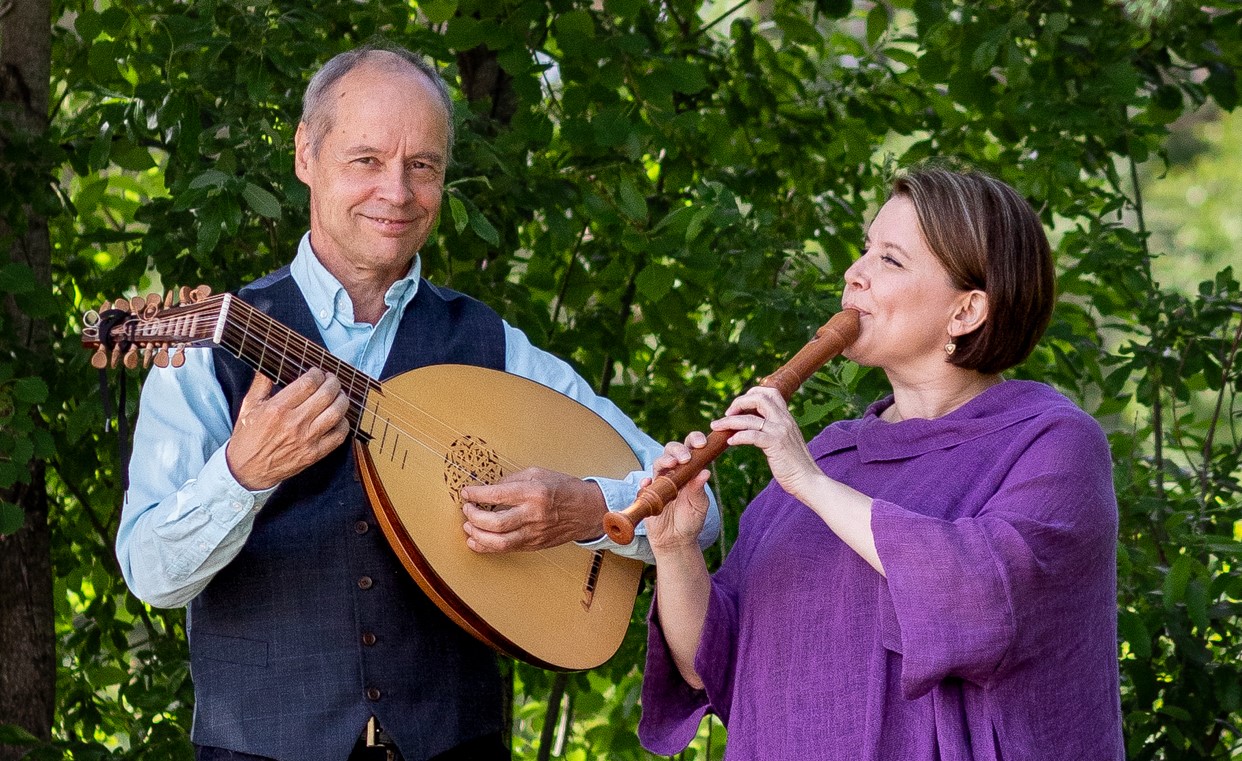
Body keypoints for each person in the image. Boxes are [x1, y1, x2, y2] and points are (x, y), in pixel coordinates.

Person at [115, 45, 719, 761]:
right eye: (366, 159)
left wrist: (589, 509)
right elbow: (152, 575)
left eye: (422, 166)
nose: (396, 193)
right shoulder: (211, 353)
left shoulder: (491, 347)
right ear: (306, 155)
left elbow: (698, 512)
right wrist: (242, 474)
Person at [638, 166, 1124, 759]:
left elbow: (981, 598)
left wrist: (809, 484)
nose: (854, 274)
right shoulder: (834, 454)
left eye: (890, 260)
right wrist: (675, 546)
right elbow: (706, 665)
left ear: (966, 313)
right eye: (865, 250)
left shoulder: (1049, 443)